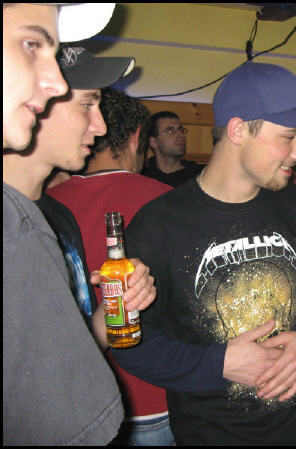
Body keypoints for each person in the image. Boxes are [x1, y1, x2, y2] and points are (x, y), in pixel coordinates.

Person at [110, 61, 296, 445]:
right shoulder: (158, 225)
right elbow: (131, 346)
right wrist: (218, 364)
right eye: (289, 136)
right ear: (238, 130)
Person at [3, 4, 127, 445]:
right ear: (43, 107)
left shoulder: (57, 217)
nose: (101, 126)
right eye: (88, 104)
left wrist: (107, 317)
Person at [48, 86, 175, 445]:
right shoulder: (169, 201)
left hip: (84, 406)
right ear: (136, 137)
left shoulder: (45, 203)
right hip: (161, 395)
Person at [141, 111, 203, 187]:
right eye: (170, 131)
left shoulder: (199, 176)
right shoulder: (143, 177)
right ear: (153, 142)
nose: (180, 135)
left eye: (181, 130)